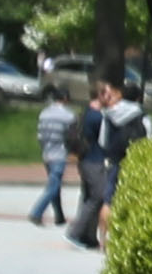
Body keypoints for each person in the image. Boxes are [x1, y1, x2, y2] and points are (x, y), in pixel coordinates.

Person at [64, 78, 128, 250]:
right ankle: (76, 231)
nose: (110, 95)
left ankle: (88, 235)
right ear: (100, 94)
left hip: (85, 159)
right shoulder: (98, 116)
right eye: (107, 92)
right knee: (98, 195)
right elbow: (107, 137)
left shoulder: (87, 112)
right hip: (95, 160)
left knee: (88, 195)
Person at [28, 82, 77, 226]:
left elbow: (40, 136)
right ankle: (36, 212)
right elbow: (72, 137)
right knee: (53, 186)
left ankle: (59, 216)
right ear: (66, 98)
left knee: (54, 183)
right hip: (60, 153)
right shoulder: (69, 116)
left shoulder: (44, 114)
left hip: (47, 152)